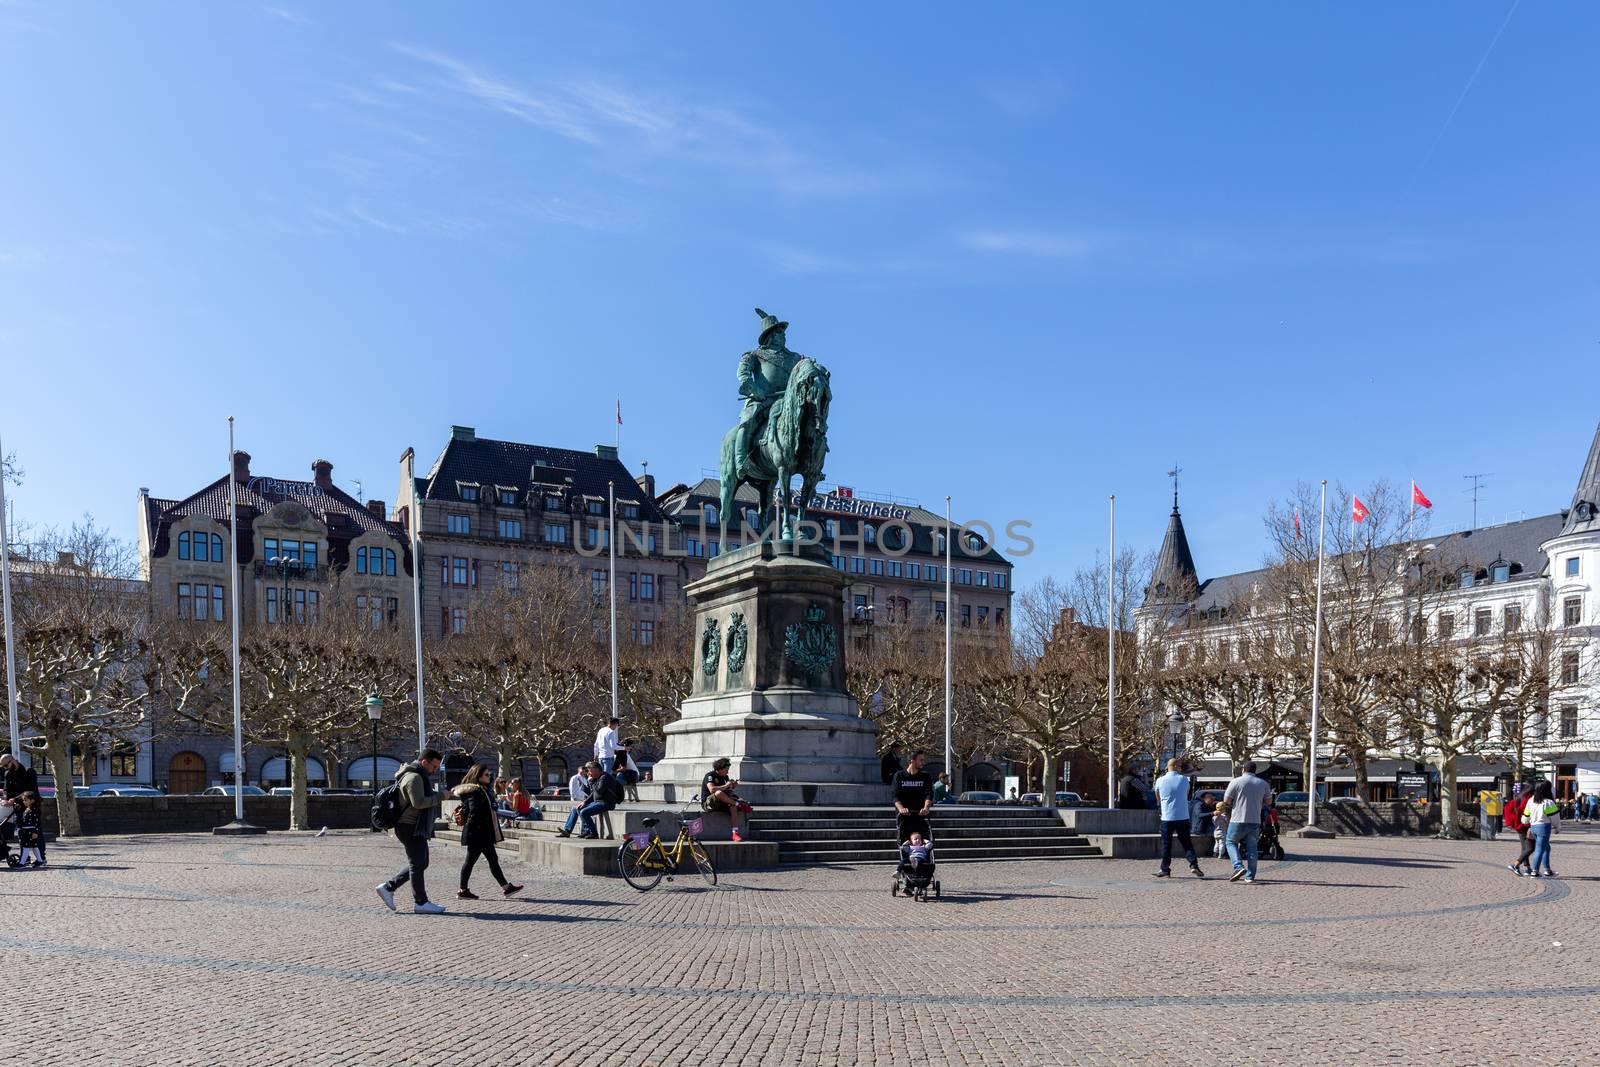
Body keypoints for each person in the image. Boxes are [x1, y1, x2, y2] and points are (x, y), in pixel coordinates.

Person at [375, 748, 446, 914]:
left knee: (421, 863)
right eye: (433, 767)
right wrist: (440, 796)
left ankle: (388, 887)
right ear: (424, 762)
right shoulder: (414, 777)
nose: (434, 771)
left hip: (412, 825)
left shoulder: (416, 776)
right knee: (417, 864)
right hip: (409, 826)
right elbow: (418, 802)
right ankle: (420, 902)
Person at [451, 762, 522, 900]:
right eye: (486, 775)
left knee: (488, 860)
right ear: (478, 776)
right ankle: (463, 890)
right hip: (478, 833)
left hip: (480, 833)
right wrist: (483, 823)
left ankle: (505, 888)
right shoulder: (475, 791)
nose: (489, 776)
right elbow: (474, 811)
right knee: (474, 861)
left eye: (489, 774)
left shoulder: (482, 789)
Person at [1153, 758, 1204, 878]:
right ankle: (1193, 865)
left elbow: (1157, 796)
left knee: (1166, 844)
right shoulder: (1183, 780)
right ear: (1175, 766)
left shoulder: (1160, 780)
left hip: (1167, 817)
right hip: (1182, 816)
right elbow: (1186, 794)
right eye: (1180, 766)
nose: (1181, 768)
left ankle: (1165, 868)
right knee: (1186, 843)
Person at [1221, 761, 1271, 883]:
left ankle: (1238, 866)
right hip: (1255, 820)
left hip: (1237, 819)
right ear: (1255, 771)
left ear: (1243, 769)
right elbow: (1269, 802)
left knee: (1230, 842)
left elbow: (1226, 800)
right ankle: (1250, 877)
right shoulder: (1263, 783)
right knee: (1252, 848)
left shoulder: (1235, 782)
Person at [891, 750, 934, 844]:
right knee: (904, 843)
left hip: (920, 816)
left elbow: (929, 794)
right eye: (920, 760)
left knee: (924, 842)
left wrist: (926, 808)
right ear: (912, 760)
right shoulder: (899, 776)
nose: (923, 762)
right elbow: (895, 796)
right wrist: (901, 809)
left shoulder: (925, 776)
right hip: (904, 817)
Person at [700, 757, 750, 837]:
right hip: (708, 804)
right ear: (720, 769)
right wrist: (726, 785)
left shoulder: (725, 777)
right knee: (718, 793)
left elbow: (727, 792)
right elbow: (712, 790)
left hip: (722, 802)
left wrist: (732, 786)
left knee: (733, 807)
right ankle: (738, 804)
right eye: (726, 769)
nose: (728, 772)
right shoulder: (710, 776)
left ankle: (735, 833)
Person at [1521, 780, 1560, 878]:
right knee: (1540, 849)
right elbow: (1555, 818)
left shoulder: (1531, 800)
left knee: (1546, 848)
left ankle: (1547, 870)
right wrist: (1557, 827)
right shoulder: (1548, 802)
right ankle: (1535, 872)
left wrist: (1525, 822)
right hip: (1544, 827)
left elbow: (1525, 816)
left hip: (1533, 827)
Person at [555, 763, 600, 838]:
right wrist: (574, 798)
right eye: (587, 770)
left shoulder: (594, 778)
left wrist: (591, 781)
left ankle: (585, 831)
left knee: (581, 809)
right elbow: (572, 789)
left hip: (592, 800)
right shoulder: (576, 778)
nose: (587, 772)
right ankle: (568, 830)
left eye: (588, 770)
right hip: (583, 799)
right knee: (575, 809)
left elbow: (594, 792)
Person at [1505, 783, 1534, 875]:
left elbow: (1507, 808)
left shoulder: (1518, 798)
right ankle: (1515, 864)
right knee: (1531, 847)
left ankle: (1528, 868)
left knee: (1525, 847)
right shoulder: (1529, 799)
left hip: (1518, 826)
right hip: (1526, 825)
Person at [13, 792, 44, 869]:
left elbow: (37, 822)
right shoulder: (28, 809)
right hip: (26, 830)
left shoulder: (35, 810)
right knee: (34, 846)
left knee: (25, 846)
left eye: (25, 800)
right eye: (24, 800)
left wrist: (35, 832)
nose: (24, 802)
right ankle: (40, 860)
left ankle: (22, 863)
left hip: (30, 831)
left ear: (32, 800)